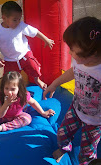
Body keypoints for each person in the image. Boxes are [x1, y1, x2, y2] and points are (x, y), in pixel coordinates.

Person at [43, 16, 101, 165]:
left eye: (73, 50)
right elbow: (73, 72)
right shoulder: (81, 60)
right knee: (62, 133)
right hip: (76, 108)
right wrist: (54, 84)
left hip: (95, 121)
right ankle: (64, 148)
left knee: (86, 154)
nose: (69, 54)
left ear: (92, 53)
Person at [0, 1, 55, 90]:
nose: (18, 22)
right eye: (14, 20)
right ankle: (10, 92)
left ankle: (37, 79)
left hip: (24, 54)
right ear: (4, 18)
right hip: (10, 60)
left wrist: (46, 39)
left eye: (19, 19)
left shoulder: (20, 26)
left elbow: (34, 31)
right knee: (9, 79)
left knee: (34, 67)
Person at [0, 71, 55, 145]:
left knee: (27, 118)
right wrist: (6, 104)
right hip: (2, 117)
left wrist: (43, 112)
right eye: (6, 88)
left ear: (19, 88)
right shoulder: (1, 97)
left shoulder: (23, 95)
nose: (9, 92)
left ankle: (2, 127)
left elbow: (33, 102)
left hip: (16, 116)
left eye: (13, 89)